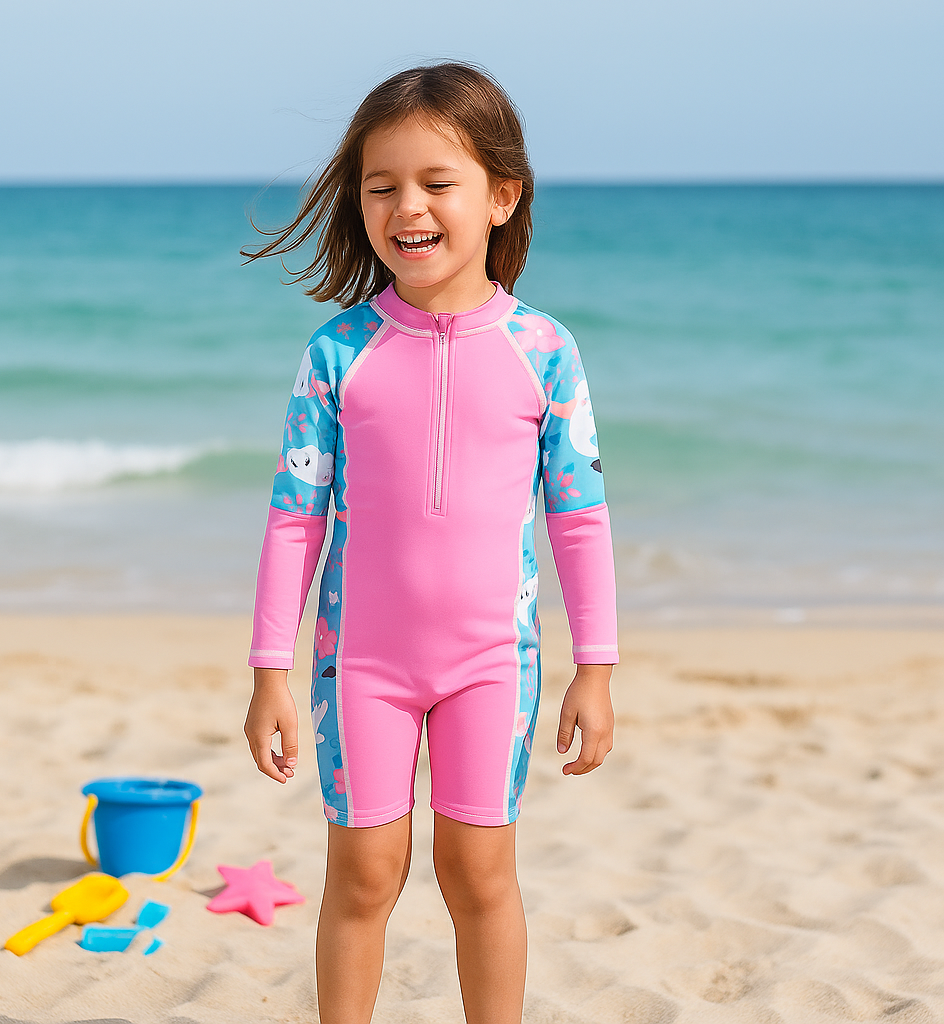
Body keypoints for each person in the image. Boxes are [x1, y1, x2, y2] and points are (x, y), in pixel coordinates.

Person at [242, 62, 618, 1024]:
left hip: (494, 662)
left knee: (477, 873)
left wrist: (597, 667)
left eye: (436, 183)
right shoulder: (338, 353)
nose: (407, 207)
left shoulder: (544, 352)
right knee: (364, 874)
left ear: (502, 196)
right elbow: (295, 517)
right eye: (382, 186)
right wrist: (269, 672)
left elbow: (578, 517)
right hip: (359, 664)